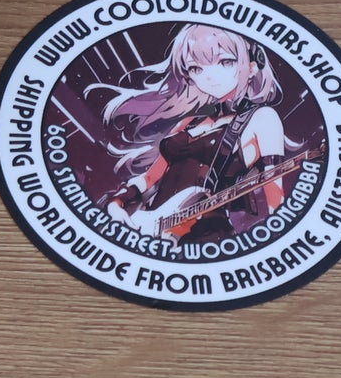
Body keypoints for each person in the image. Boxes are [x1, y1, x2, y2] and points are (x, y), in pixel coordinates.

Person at [98, 23, 293, 242]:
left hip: (207, 235)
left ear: (252, 67)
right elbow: (151, 177)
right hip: (153, 229)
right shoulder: (191, 121)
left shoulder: (262, 118)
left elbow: (273, 188)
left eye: (225, 62)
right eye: (196, 68)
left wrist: (278, 240)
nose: (209, 76)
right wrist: (117, 202)